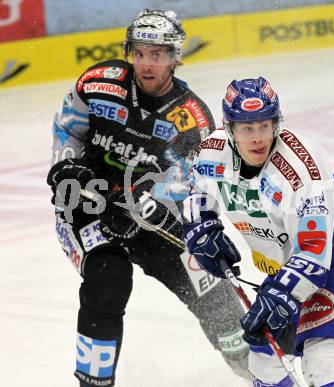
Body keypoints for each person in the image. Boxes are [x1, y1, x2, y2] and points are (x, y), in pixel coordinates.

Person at [46, 9, 251, 387]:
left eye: (156, 55)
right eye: (139, 53)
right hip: (87, 210)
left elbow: (191, 186)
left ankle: (257, 371)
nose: (145, 63)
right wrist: (66, 166)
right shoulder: (97, 83)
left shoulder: (191, 119)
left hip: (151, 221)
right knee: (108, 280)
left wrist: (152, 203)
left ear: (175, 57)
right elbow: (67, 131)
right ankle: (93, 383)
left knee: (215, 294)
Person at [182, 77, 334, 386]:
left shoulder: (302, 167)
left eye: (265, 125)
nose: (258, 137)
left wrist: (279, 294)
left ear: (277, 123)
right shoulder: (212, 151)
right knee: (263, 365)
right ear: (230, 128)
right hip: (287, 270)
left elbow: (314, 256)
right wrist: (201, 227)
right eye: (247, 128)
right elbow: (195, 194)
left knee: (324, 361)